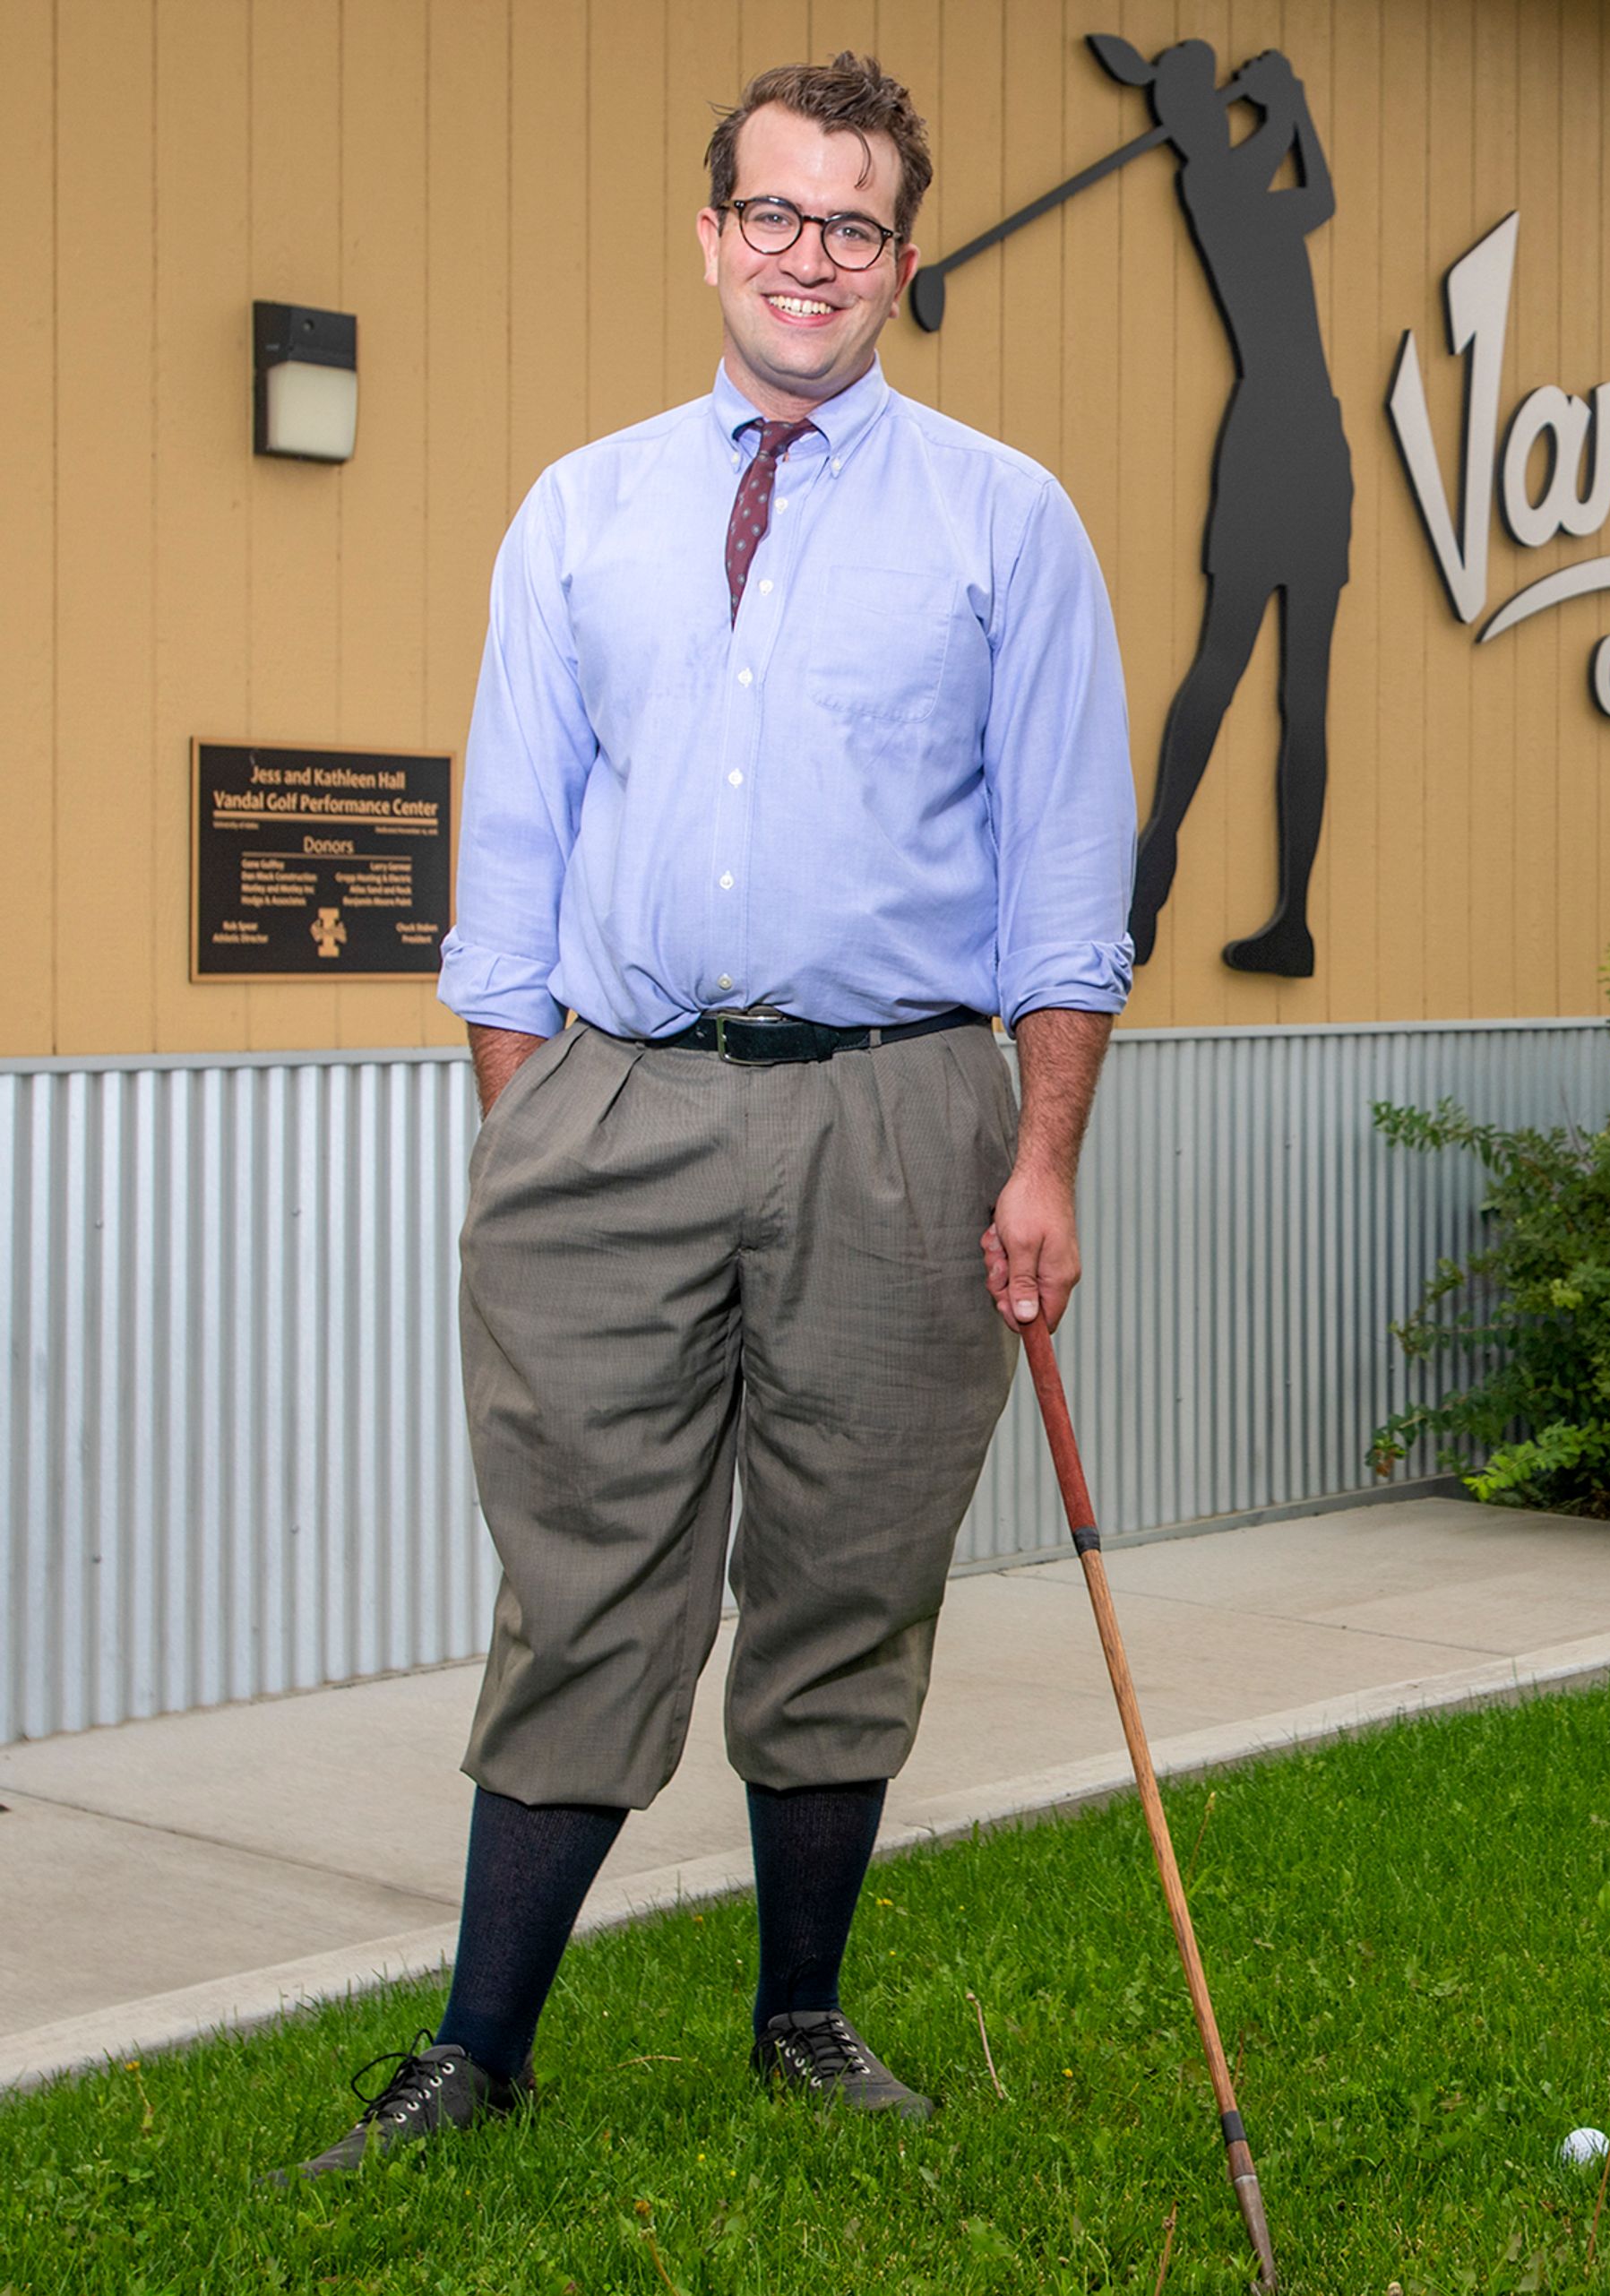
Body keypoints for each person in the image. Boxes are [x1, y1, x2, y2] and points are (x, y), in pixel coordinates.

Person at [275, 52, 1137, 2179]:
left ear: (901, 263)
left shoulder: (1002, 522)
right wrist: (531, 1117)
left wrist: (1039, 1156)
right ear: (711, 234)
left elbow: (1061, 876)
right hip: (619, 1109)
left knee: (847, 1574)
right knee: (582, 1577)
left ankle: (801, 2017)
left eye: (854, 225)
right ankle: (476, 2048)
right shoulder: (583, 511)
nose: (809, 257)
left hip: (897, 1113)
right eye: (775, 213)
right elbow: (518, 838)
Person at [1126, 40, 1351, 980]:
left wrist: (1285, 101)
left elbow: (1320, 198)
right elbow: (1290, 178)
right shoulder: (1210, 186)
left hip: (1311, 440)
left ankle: (1292, 920)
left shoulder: (1232, 173)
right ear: (1182, 117)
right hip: (1271, 436)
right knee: (1222, 665)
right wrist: (1284, 101)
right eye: (1196, 97)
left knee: (1304, 693)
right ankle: (1147, 887)